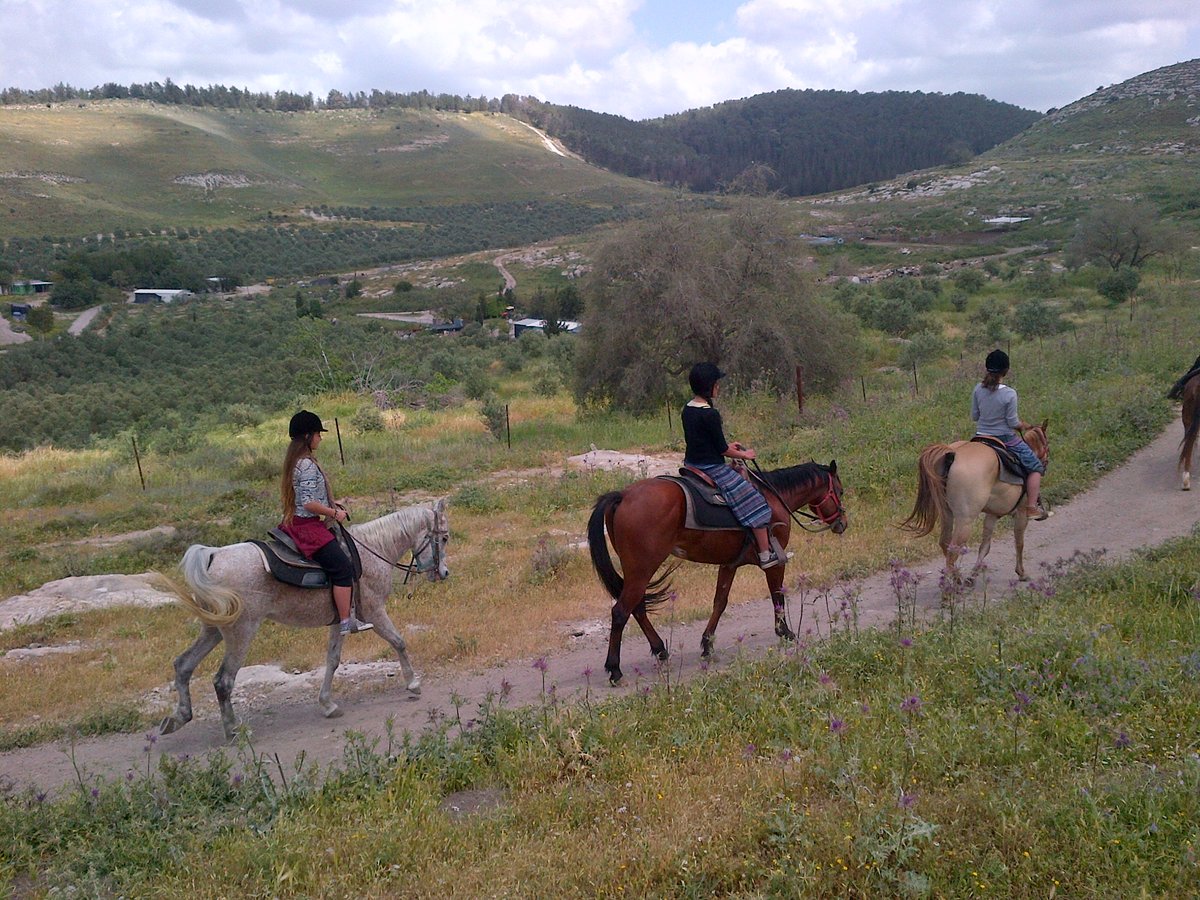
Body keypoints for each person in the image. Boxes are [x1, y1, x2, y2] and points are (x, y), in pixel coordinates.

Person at [279, 410, 373, 634]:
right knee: (342, 567)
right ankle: (345, 621)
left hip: (297, 522)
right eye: (318, 434)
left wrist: (331, 501)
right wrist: (333, 512)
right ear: (308, 436)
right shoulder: (308, 465)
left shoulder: (297, 462)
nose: (320, 438)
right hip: (307, 526)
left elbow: (306, 496)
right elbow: (309, 503)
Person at [681, 363, 780, 568]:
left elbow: (704, 441)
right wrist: (745, 454)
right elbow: (723, 451)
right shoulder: (710, 414)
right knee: (756, 501)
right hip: (711, 467)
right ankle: (764, 554)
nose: (718, 387)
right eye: (717, 383)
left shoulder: (688, 409)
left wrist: (727, 446)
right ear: (710, 386)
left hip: (691, 463)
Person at [971, 349, 1049, 521]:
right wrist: (1025, 425)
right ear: (1006, 371)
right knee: (1036, 467)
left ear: (986, 368)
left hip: (980, 436)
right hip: (1004, 438)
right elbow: (1013, 423)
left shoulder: (978, 389)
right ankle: (1031, 507)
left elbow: (975, 416)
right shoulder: (1009, 393)